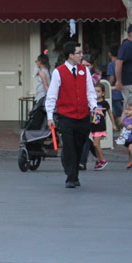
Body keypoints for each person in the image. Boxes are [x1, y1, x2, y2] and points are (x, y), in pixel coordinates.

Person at [45, 41, 100, 189]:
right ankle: (71, 176)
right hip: (66, 116)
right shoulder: (59, 72)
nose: (81, 55)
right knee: (69, 146)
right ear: (70, 55)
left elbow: (90, 92)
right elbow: (51, 96)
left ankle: (73, 171)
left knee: (79, 146)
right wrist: (50, 116)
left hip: (82, 115)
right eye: (78, 53)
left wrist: (94, 107)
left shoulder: (84, 71)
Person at [88, 82, 111, 170]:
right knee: (96, 145)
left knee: (96, 144)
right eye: (94, 92)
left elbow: (110, 113)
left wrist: (113, 124)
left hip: (100, 126)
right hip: (93, 125)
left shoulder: (104, 103)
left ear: (103, 93)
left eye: (98, 91)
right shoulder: (91, 103)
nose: (96, 94)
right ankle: (98, 160)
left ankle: (102, 160)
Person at [115, 101, 132, 168]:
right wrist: (121, 124)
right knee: (129, 150)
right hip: (127, 138)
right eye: (126, 109)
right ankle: (131, 162)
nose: (127, 111)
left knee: (131, 148)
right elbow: (122, 127)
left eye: (129, 110)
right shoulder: (125, 119)